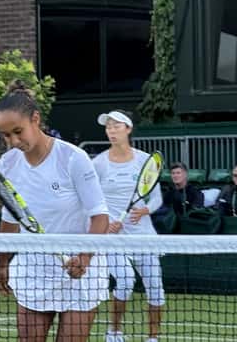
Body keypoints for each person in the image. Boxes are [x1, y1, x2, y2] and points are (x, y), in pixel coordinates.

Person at [0, 80, 109, 342]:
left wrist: (84, 257)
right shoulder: (8, 164)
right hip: (33, 269)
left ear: (36, 119)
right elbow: (10, 219)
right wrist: (2, 264)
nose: (13, 141)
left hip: (80, 271)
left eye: (18, 131)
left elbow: (100, 217)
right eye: (5, 135)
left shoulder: (73, 158)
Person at [92, 110, 165, 342]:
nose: (111, 131)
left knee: (155, 287)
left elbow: (156, 199)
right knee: (124, 279)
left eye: (116, 126)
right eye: (108, 127)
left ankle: (153, 338)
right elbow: (91, 200)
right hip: (113, 236)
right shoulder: (98, 163)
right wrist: (104, 224)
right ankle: (114, 333)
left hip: (143, 234)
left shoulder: (145, 160)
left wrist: (147, 209)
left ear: (128, 129)